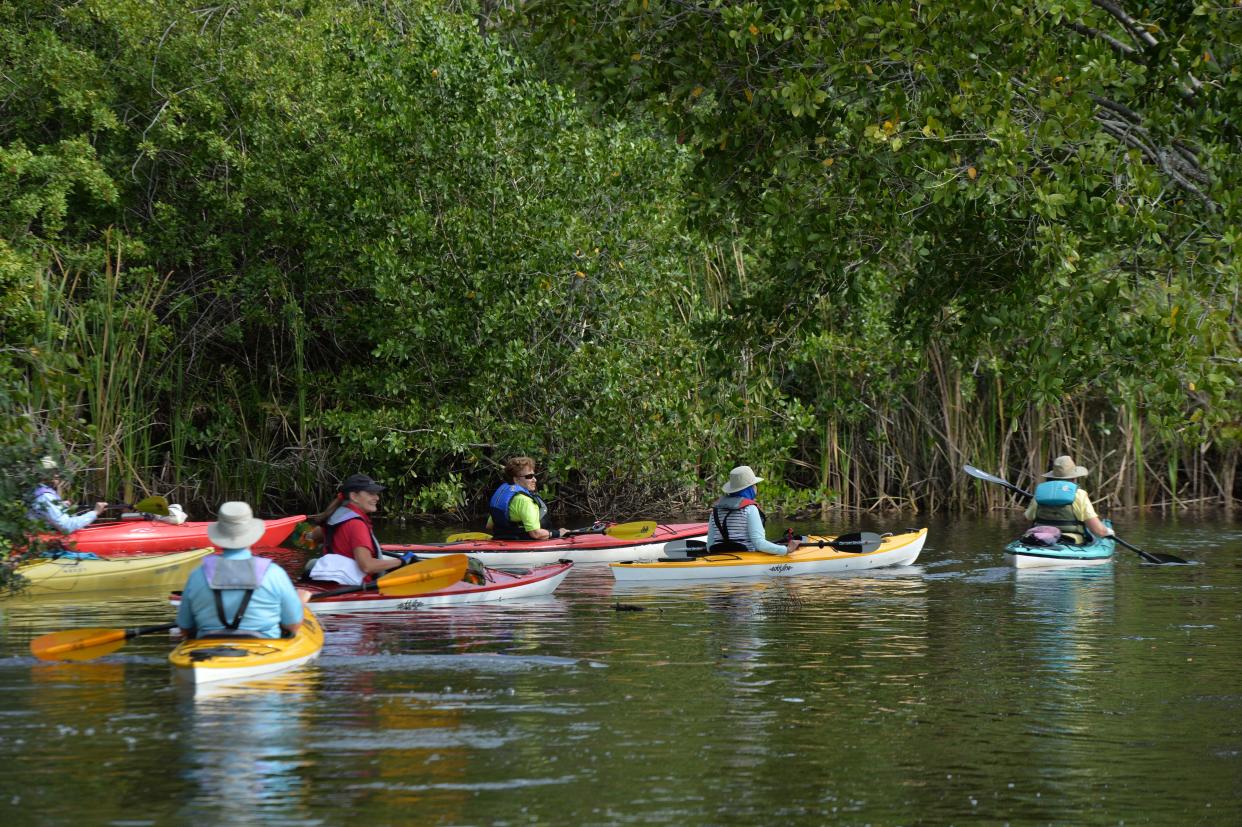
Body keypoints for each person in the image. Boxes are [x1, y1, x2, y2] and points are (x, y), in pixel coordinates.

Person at [176, 501, 304, 639]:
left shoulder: (197, 575)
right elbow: (292, 625)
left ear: (219, 536)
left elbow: (185, 628)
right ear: (251, 536)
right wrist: (300, 602)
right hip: (264, 650)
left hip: (206, 651)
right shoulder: (274, 573)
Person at [306, 473, 414, 585]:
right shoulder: (356, 524)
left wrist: (308, 536)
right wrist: (401, 561)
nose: (377, 498)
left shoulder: (337, 516)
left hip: (336, 583)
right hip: (357, 588)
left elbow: (316, 534)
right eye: (371, 493)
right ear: (354, 496)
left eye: (376, 494)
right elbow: (367, 566)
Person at [706, 465, 800, 555]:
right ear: (749, 489)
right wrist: (787, 549)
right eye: (755, 485)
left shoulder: (715, 511)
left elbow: (709, 546)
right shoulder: (750, 509)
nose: (756, 487)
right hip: (746, 559)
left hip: (717, 556)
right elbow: (759, 544)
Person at [1024, 455, 1115, 545]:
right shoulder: (1079, 495)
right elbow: (1098, 530)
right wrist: (1108, 532)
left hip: (1041, 539)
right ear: (1074, 477)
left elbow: (1028, 518)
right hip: (1070, 540)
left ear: (1053, 476)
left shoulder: (1040, 494)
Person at [486, 457, 569, 541]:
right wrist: (557, 533)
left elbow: (489, 526)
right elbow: (536, 534)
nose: (535, 480)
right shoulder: (526, 501)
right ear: (516, 479)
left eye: (533, 475)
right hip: (523, 542)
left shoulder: (503, 497)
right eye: (529, 476)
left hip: (501, 540)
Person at [27, 456, 108, 535]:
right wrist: (95, 512)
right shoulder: (45, 497)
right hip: (45, 540)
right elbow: (67, 527)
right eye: (54, 472)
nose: (57, 475)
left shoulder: (35, 490)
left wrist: (60, 506)